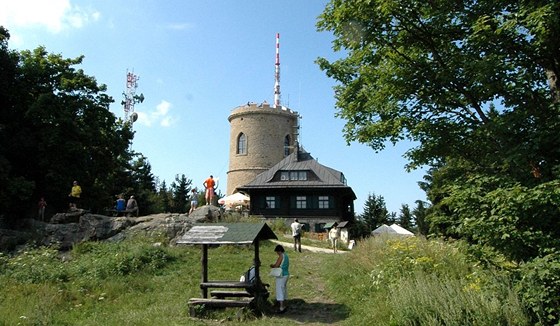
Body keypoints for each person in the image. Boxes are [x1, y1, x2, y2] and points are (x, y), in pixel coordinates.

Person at [270, 244, 289, 313]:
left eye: (277, 252)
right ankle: (285, 304)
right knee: (284, 289)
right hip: (286, 274)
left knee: (280, 290)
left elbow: (277, 265)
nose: (277, 253)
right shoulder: (286, 256)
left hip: (281, 275)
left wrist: (272, 265)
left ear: (279, 251)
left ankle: (281, 307)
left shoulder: (281, 256)